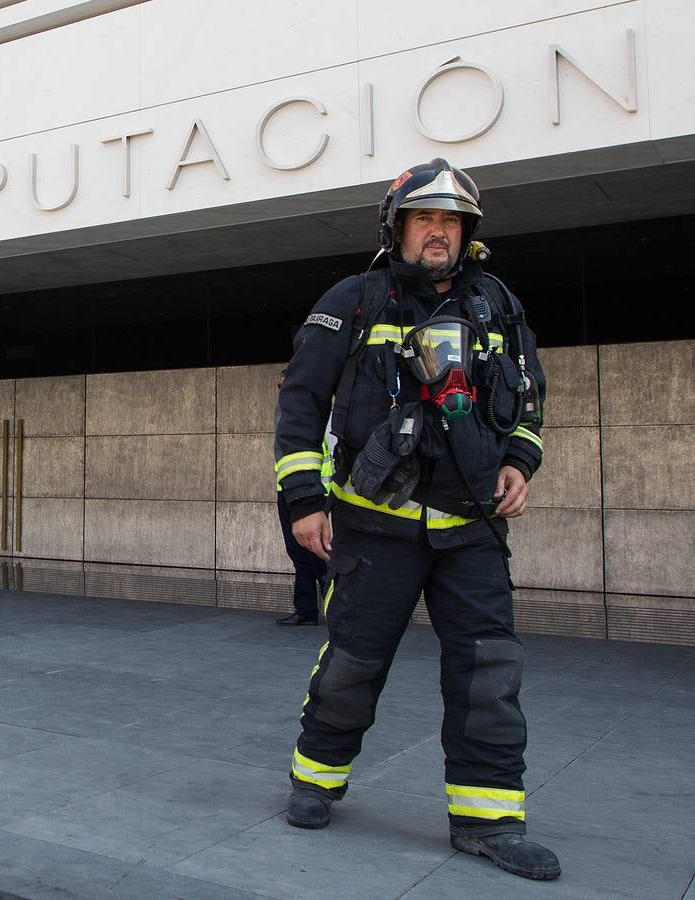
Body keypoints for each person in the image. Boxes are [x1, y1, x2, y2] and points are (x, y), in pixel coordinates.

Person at [273, 159, 555, 880]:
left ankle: (489, 820)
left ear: (467, 233)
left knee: (488, 674)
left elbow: (528, 400)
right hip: (374, 527)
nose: (439, 233)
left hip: (473, 531)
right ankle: (316, 781)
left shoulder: (497, 305)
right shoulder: (353, 300)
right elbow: (301, 403)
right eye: (425, 219)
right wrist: (304, 501)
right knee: (352, 664)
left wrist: (520, 464)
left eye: (451, 221)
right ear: (397, 228)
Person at [273, 370, 328, 626]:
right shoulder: (286, 417)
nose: (284, 391)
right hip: (289, 493)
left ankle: (337, 610)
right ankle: (305, 610)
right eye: (281, 386)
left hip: (318, 495)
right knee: (297, 553)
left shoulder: (320, 416)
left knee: (320, 555)